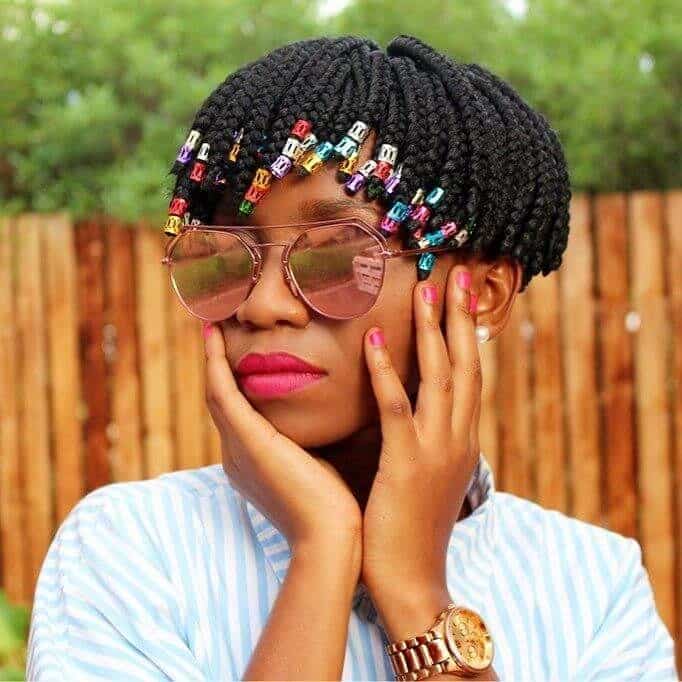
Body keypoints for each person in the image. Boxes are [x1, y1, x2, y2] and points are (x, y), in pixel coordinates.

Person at [26, 34, 677, 681]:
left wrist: (415, 591)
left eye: (338, 253)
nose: (262, 305)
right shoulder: (129, 552)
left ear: (480, 294)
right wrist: (322, 546)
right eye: (227, 256)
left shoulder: (594, 588)